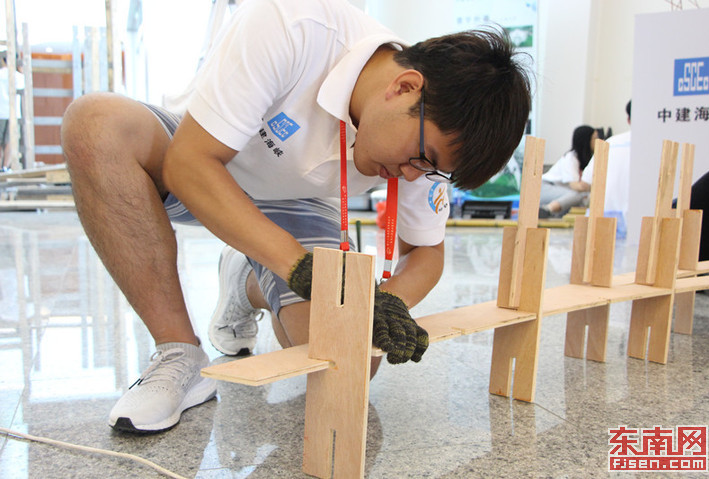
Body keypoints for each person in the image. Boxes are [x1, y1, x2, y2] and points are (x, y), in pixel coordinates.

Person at [60, 0, 532, 434]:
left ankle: (245, 278)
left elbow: (427, 253)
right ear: (405, 88)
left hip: (300, 207)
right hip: (202, 163)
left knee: (347, 357)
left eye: (432, 170)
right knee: (96, 124)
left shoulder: (430, 140)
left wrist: (381, 306)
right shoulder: (294, 24)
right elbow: (189, 163)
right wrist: (301, 268)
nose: (414, 174)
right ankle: (177, 355)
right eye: (420, 157)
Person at [577, 100, 631, 238]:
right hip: (637, 224)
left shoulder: (611, 143)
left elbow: (586, 182)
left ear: (628, 119)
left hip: (602, 220)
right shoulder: (657, 144)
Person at [538, 125, 598, 218]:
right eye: (594, 139)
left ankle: (551, 213)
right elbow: (576, 186)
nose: (597, 141)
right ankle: (547, 209)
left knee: (583, 198)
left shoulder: (587, 160)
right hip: (544, 187)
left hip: (559, 191)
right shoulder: (571, 158)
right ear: (586, 141)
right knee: (578, 195)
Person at [0, 53, 25, 171]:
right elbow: (24, 88)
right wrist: (21, 72)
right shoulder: (17, 76)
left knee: (0, 142)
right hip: (13, 114)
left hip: (1, 112)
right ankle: (5, 167)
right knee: (10, 141)